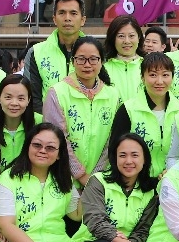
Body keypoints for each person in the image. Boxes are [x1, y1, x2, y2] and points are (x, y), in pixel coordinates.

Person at [43, 36, 121, 181]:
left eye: (93, 59)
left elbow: (113, 139)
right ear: (72, 61)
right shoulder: (57, 92)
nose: (87, 64)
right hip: (64, 177)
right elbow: (57, 138)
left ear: (102, 61)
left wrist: (95, 177)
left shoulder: (113, 95)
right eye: (81, 59)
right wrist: (80, 174)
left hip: (101, 179)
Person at [124, 52, 179, 177]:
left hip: (173, 182)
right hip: (136, 183)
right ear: (143, 77)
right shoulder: (128, 109)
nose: (159, 81)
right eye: (153, 75)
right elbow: (117, 150)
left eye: (165, 75)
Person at [22, 0, 88, 106]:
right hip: (47, 122)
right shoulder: (36, 52)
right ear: (54, 19)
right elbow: (32, 98)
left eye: (73, 13)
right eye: (62, 13)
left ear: (82, 20)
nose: (67, 18)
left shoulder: (95, 53)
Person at [0, 73, 41, 167]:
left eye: (21, 98)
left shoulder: (41, 123)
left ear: (28, 100)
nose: (14, 103)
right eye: (8, 97)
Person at [102, 14, 145, 105]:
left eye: (131, 36)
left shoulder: (149, 67)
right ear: (113, 39)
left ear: (139, 37)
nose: (126, 41)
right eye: (121, 36)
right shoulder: (102, 69)